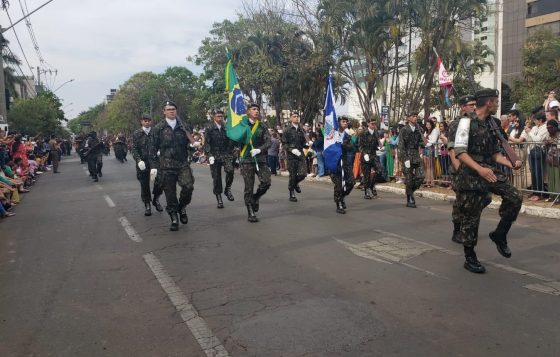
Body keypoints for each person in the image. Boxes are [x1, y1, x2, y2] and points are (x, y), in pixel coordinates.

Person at [447, 88, 523, 274]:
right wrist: (479, 169)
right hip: (471, 175)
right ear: (488, 102)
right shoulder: (465, 123)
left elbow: (494, 153)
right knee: (471, 218)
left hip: (489, 171)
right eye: (496, 101)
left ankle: (499, 234)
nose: (498, 105)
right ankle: (470, 256)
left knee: (515, 197)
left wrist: (511, 163)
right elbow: (460, 152)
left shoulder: (492, 124)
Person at [151, 101, 199, 231]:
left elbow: (188, 144)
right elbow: (152, 149)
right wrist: (154, 166)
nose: (172, 111)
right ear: (164, 111)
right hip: (166, 166)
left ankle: (181, 207)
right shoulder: (158, 128)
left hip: (183, 163)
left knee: (188, 187)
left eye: (173, 109)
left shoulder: (184, 126)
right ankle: (173, 216)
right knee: (170, 193)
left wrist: (193, 147)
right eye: (169, 109)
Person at [447, 95, 476, 243]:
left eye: (475, 104)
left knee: (482, 198)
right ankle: (457, 230)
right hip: (460, 168)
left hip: (473, 167)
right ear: (463, 107)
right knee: (461, 200)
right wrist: (459, 169)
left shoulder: (476, 122)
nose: (474, 107)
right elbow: (452, 149)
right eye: (471, 105)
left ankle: (468, 227)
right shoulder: (456, 124)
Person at [239, 103, 271, 222]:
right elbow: (235, 140)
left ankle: (255, 197)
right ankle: (250, 211)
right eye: (253, 109)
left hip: (260, 159)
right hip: (247, 160)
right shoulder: (242, 125)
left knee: (266, 182)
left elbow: (269, 142)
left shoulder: (262, 126)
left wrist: (259, 149)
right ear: (248, 112)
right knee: (249, 187)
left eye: (257, 109)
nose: (256, 111)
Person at [131, 114, 164, 216]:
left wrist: (160, 151)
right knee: (144, 185)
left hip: (154, 162)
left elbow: (161, 144)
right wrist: (138, 160)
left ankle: (156, 199)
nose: (147, 122)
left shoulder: (156, 132)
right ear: (141, 122)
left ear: (151, 121)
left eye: (149, 120)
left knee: (160, 181)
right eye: (145, 120)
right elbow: (134, 149)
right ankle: (147, 205)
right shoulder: (137, 133)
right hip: (143, 163)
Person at [204, 110, 236, 209]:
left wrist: (233, 148)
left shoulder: (226, 128)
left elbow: (230, 141)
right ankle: (219, 199)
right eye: (218, 116)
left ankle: (227, 189)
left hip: (225, 154)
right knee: (216, 178)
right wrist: (209, 155)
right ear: (214, 117)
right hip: (214, 155)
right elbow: (207, 143)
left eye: (221, 116)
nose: (220, 118)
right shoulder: (209, 128)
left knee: (230, 171)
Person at [398, 112, 426, 208]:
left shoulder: (419, 129)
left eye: (416, 116)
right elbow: (401, 146)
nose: (415, 118)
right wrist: (404, 158)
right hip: (407, 155)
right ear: (408, 118)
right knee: (409, 179)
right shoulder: (404, 130)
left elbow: (422, 143)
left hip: (416, 156)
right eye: (413, 116)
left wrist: (423, 136)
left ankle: (409, 192)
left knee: (421, 176)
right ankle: (410, 198)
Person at [331, 116, 354, 214]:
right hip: (335, 162)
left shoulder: (347, 136)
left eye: (346, 122)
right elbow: (328, 146)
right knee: (339, 185)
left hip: (345, 162)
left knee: (351, 182)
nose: (345, 123)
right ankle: (338, 203)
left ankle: (342, 196)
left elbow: (351, 147)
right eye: (343, 121)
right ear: (338, 123)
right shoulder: (332, 135)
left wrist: (343, 144)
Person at [282, 112, 307, 202]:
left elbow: (303, 142)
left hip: (300, 154)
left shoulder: (301, 129)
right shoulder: (287, 130)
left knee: (303, 173)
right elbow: (284, 144)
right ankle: (291, 193)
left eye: (297, 116)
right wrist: (291, 150)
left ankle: (295, 183)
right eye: (294, 116)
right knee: (292, 175)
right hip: (291, 155)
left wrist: (307, 144)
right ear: (290, 119)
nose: (296, 118)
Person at [358, 118, 380, 199]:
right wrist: (364, 154)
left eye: (375, 124)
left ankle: (371, 186)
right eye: (372, 124)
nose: (374, 125)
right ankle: (366, 191)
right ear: (368, 124)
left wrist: (380, 148)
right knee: (366, 175)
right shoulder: (363, 133)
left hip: (374, 155)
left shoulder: (376, 133)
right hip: (366, 156)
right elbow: (359, 145)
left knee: (379, 170)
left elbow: (376, 143)